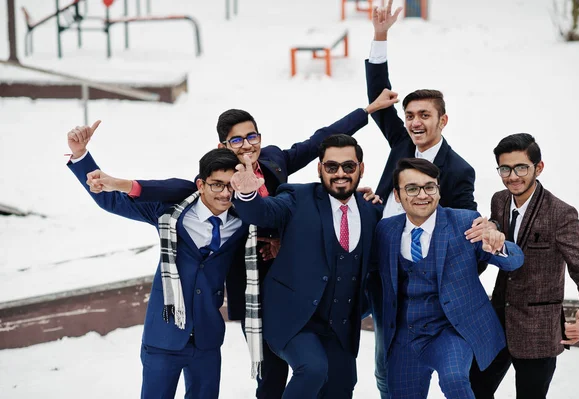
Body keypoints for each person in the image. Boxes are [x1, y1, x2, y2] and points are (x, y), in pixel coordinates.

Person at [125, 104, 393, 398]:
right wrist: (128, 186)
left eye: (251, 136)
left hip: (298, 283)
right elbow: (179, 191)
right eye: (236, 140)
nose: (246, 144)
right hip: (256, 293)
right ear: (223, 146)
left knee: (325, 375)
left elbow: (318, 143)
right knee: (273, 378)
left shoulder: (273, 162)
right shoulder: (219, 182)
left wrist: (366, 111)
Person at [66, 121, 248, 399]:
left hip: (208, 340)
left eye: (229, 186)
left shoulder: (243, 223)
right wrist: (81, 154)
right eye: (216, 185)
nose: (225, 193)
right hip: (163, 336)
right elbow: (111, 201)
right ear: (201, 184)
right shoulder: (169, 212)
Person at [364, 2, 480, 396]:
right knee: (385, 361)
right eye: (410, 114)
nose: (415, 122)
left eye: (424, 115)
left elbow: (466, 226)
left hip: (427, 280)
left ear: (442, 120)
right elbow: (379, 97)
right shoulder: (401, 142)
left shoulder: (458, 170)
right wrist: (380, 38)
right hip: (383, 269)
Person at [229, 134, 382, 398]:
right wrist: (247, 194)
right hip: (292, 319)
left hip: (340, 324)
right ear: (320, 168)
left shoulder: (371, 212)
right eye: (331, 167)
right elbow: (262, 212)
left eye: (349, 166)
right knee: (312, 369)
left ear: (361, 168)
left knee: (342, 384)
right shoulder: (297, 197)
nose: (340, 174)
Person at [375, 158, 524, 399]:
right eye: (412, 188)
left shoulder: (464, 223)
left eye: (429, 187)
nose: (422, 195)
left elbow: (515, 260)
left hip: (450, 330)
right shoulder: (385, 230)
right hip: (405, 334)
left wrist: (498, 246)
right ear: (397, 195)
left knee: (455, 379)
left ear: (438, 190)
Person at [470, 133, 579, 399]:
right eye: (505, 168)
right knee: (474, 389)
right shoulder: (499, 200)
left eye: (521, 167)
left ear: (538, 168)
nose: (513, 176)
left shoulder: (561, 214)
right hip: (496, 320)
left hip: (538, 330)